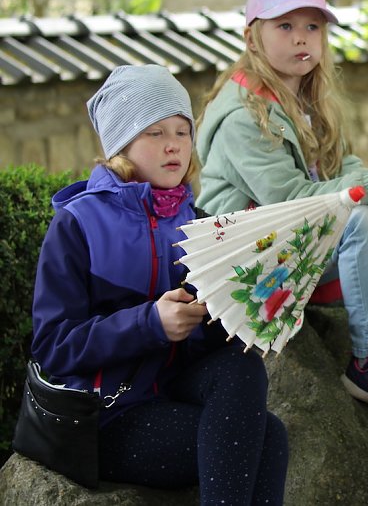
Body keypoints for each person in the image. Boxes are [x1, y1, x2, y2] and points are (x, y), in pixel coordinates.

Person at [194, 0, 368, 417]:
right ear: (252, 38)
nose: (303, 39)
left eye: (313, 27)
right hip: (254, 261)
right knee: (361, 218)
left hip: (298, 244)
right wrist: (367, 190)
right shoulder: (242, 115)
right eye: (285, 26)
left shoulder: (309, 100)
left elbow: (340, 166)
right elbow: (292, 198)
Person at [30, 65, 289, 503]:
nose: (174, 145)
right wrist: (150, 322)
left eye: (182, 131)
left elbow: (203, 348)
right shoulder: (77, 225)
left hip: (166, 387)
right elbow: (54, 345)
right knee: (262, 437)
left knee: (250, 387)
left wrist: (247, 316)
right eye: (154, 133)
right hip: (101, 415)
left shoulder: (199, 224)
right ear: (121, 146)